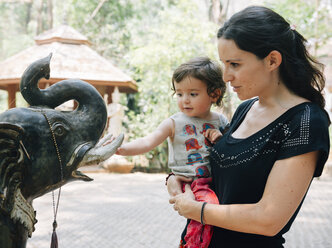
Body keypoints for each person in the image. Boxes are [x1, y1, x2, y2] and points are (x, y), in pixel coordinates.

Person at [168, 5, 330, 248]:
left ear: (272, 60)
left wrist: (196, 210)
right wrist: (180, 180)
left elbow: (269, 219)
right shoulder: (246, 109)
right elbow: (224, 181)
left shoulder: (305, 121)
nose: (225, 76)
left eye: (235, 64)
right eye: (224, 64)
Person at [115, 57, 228, 247]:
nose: (185, 100)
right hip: (189, 181)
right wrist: (122, 149)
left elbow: (228, 150)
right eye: (179, 93)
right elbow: (148, 141)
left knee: (207, 213)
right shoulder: (174, 122)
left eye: (193, 93)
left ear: (214, 94)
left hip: (214, 181)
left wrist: (219, 139)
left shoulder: (221, 121)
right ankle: (192, 244)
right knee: (207, 210)